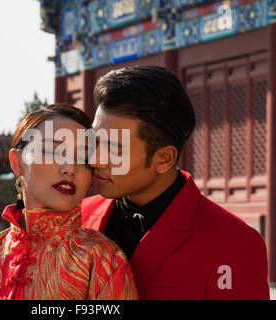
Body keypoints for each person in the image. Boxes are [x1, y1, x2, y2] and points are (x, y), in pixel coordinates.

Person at [81, 65, 270, 300]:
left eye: (115, 149)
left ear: (164, 158)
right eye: (96, 141)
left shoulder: (233, 243)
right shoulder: (76, 218)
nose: (95, 159)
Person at [0, 104, 138, 300]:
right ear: (17, 162)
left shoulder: (103, 260)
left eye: (83, 157)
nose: (70, 167)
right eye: (53, 151)